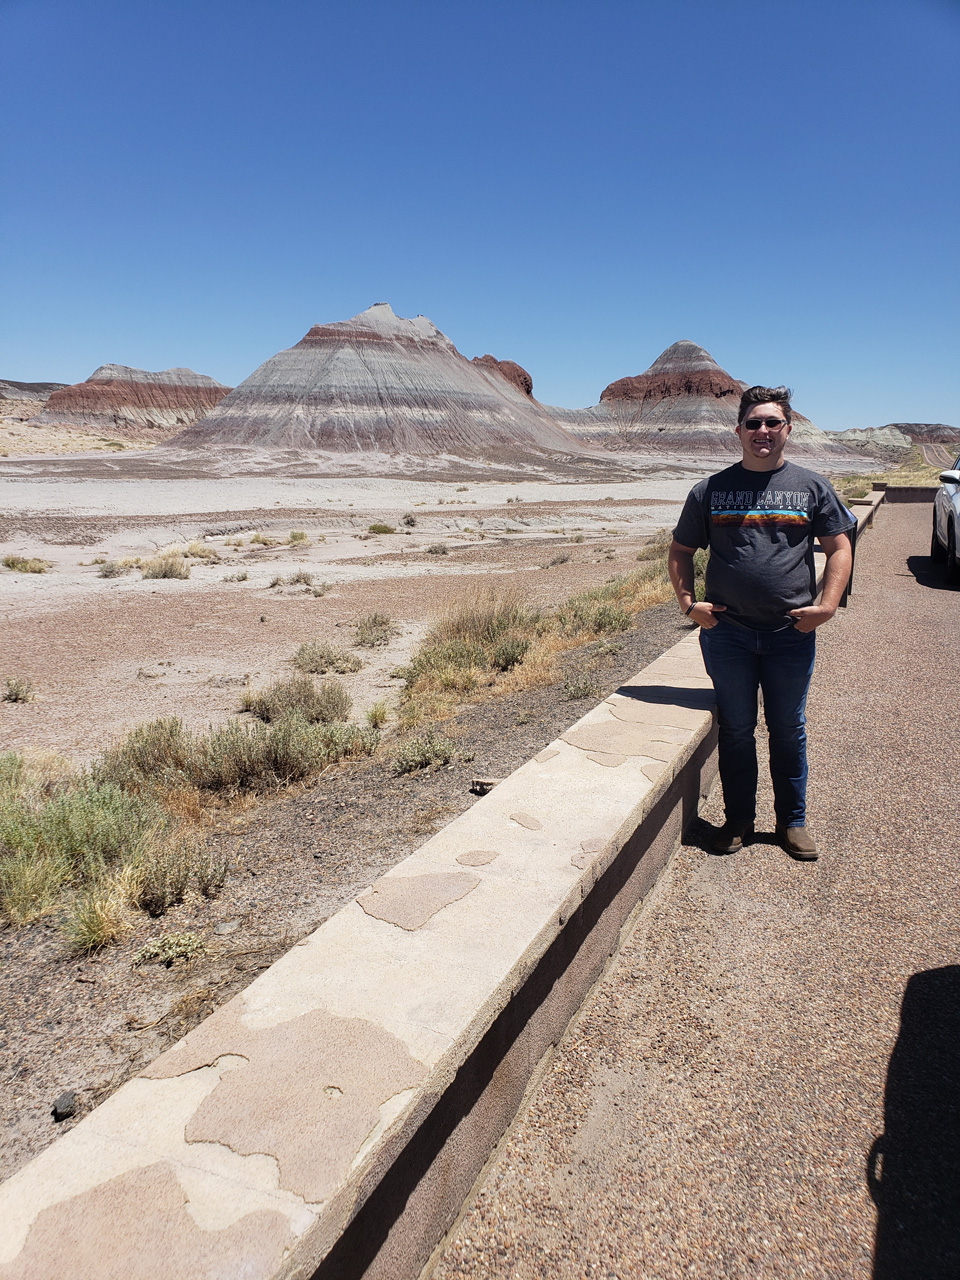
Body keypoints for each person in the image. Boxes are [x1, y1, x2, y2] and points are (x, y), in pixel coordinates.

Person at [668, 385, 853, 861]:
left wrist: (827, 607)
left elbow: (839, 546)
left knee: (788, 727)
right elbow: (681, 551)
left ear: (789, 429)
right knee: (736, 728)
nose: (763, 431)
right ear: (739, 431)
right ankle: (739, 820)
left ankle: (792, 822)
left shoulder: (812, 486)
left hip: (789, 633)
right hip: (728, 634)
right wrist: (690, 605)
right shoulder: (709, 490)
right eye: (754, 423)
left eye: (773, 422)